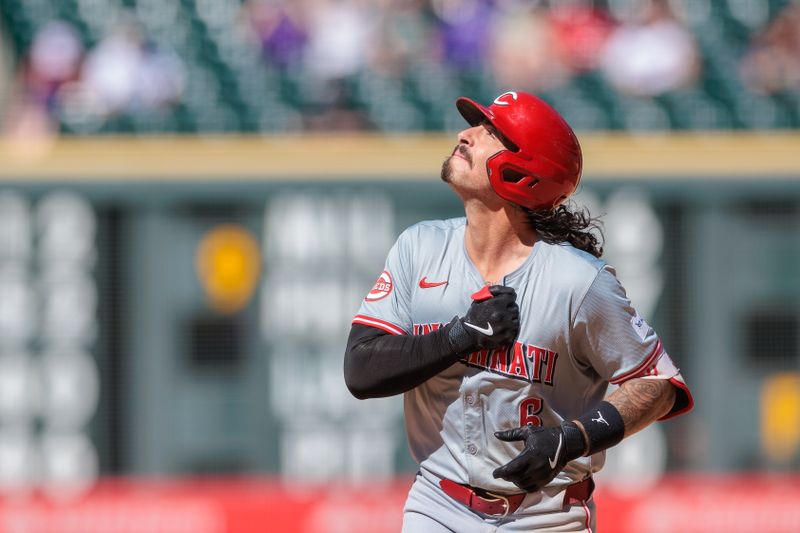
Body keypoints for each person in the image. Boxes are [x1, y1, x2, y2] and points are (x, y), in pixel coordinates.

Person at [343, 91, 693, 531]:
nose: (465, 134)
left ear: (524, 172)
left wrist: (572, 438)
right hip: (438, 505)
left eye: (490, 132)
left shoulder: (576, 280)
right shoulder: (421, 247)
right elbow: (361, 370)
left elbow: (658, 384)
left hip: (545, 515)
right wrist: (460, 336)